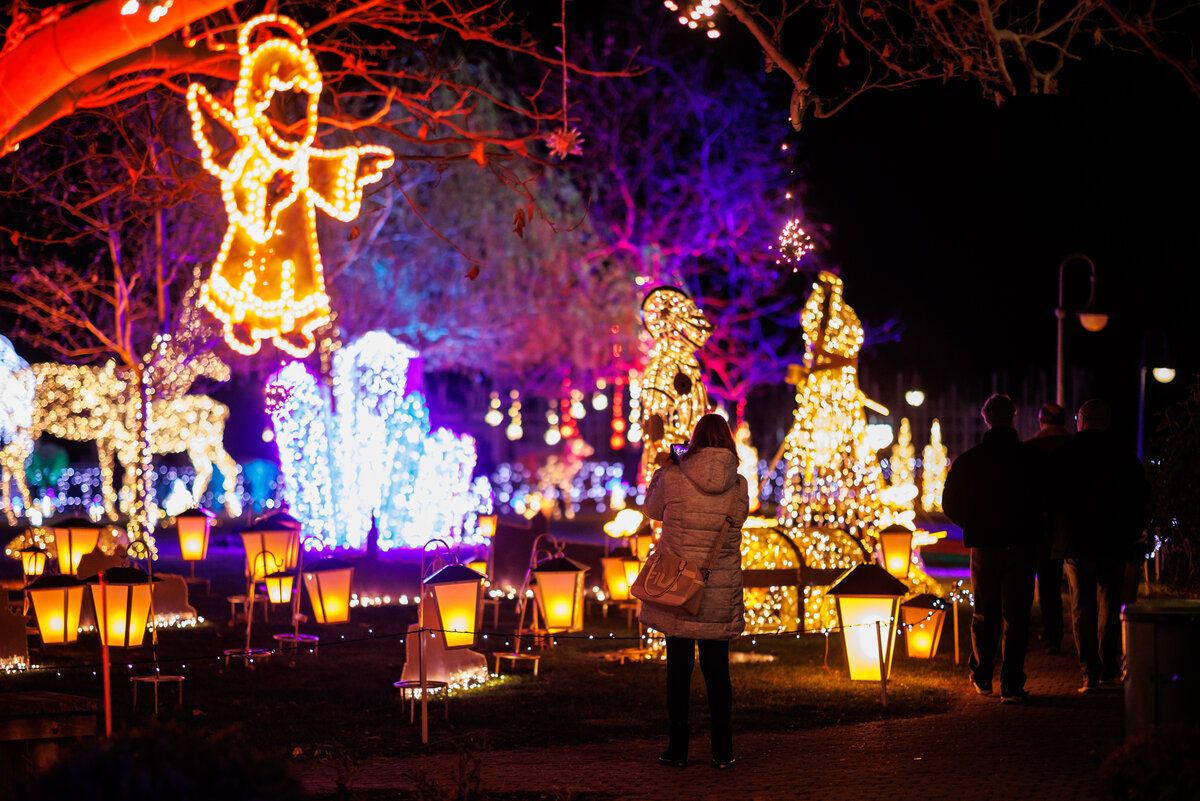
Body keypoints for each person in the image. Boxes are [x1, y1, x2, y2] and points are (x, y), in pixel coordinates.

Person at [641, 413, 750, 769]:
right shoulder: (738, 485)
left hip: (678, 588)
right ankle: (723, 750)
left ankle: (678, 748)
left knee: (678, 671)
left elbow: (651, 511)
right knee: (719, 674)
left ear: (695, 439)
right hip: (717, 591)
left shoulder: (673, 476)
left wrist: (664, 469)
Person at [943, 394, 1047, 703]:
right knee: (1016, 615)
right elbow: (1046, 499)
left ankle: (983, 675)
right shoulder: (1032, 459)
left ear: (986, 418)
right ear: (1013, 417)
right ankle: (1012, 683)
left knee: (984, 612)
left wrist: (974, 524)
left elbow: (950, 504)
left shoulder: (969, 461)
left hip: (985, 546)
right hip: (1022, 544)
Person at [1059, 399, 1150, 693]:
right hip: (1114, 542)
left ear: (1081, 421)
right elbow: (1140, 499)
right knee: (1110, 605)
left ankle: (1090, 672)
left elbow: (1054, 498)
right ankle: (1109, 666)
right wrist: (1132, 533)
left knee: (1081, 607)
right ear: (1107, 422)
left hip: (1077, 542)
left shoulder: (1067, 454)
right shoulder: (1124, 456)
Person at [1027, 402, 1071, 654]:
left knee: (1047, 582)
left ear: (1041, 420)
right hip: (1072, 519)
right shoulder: (1074, 446)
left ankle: (1052, 635)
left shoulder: (1032, 448)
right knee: (1081, 585)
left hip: (1041, 522)